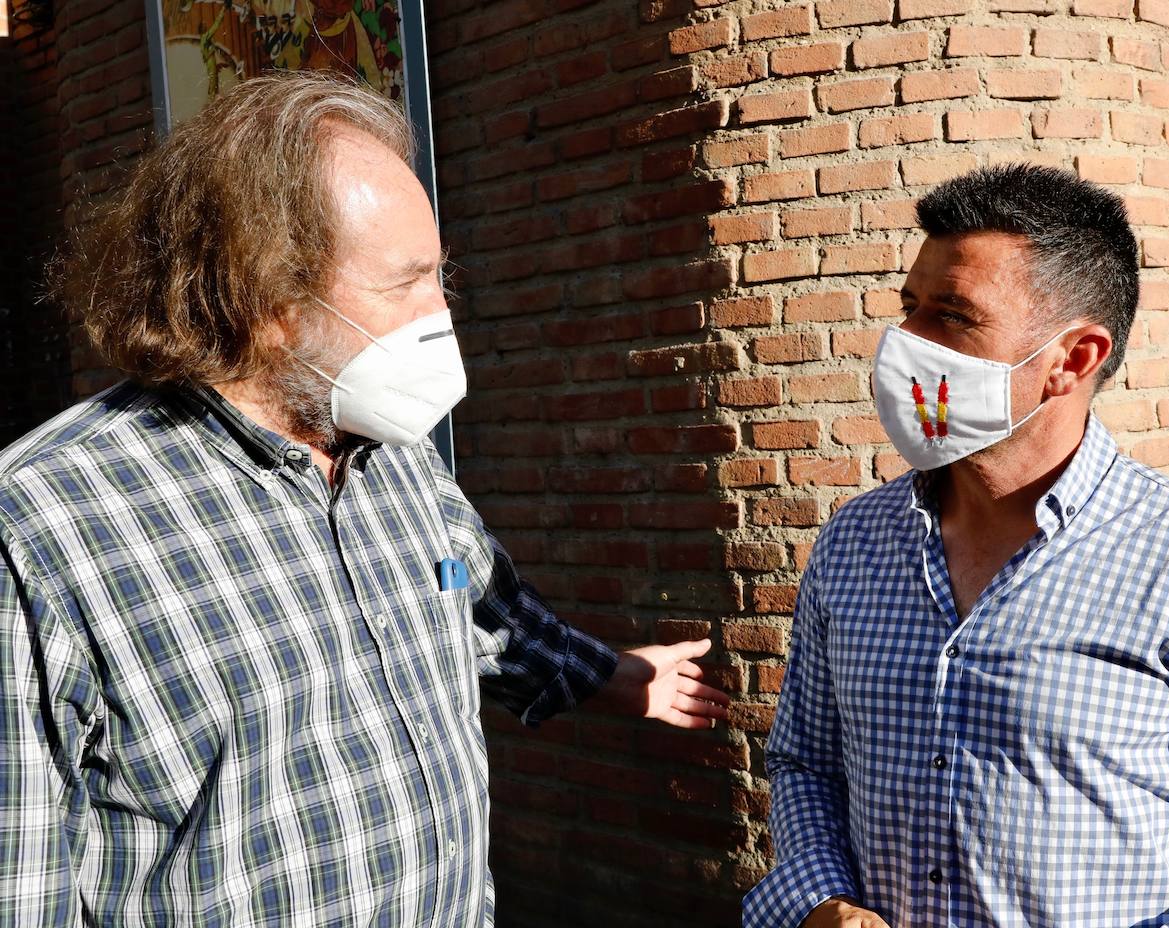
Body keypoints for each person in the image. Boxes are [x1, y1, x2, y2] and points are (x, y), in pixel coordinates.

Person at [0, 71, 728, 926]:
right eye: (405, 284)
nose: (440, 314)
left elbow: (474, 612)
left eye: (440, 277)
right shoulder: (43, 525)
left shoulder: (398, 456)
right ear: (265, 299)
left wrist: (610, 675)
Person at [743, 164, 1169, 928]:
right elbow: (804, 763)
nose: (903, 344)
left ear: (1071, 360)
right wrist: (818, 904)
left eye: (951, 315)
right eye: (909, 308)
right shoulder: (853, 544)